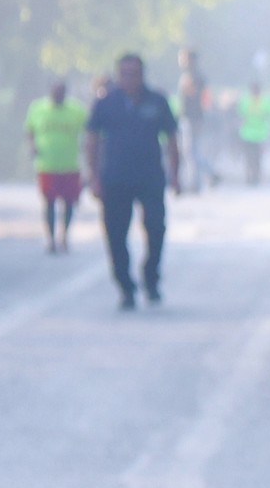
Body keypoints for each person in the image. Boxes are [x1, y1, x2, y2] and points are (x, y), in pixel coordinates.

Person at [84, 52, 183, 310]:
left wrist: (176, 174)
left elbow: (172, 139)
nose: (130, 79)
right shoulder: (106, 103)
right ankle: (125, 286)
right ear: (118, 75)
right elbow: (92, 140)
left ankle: (151, 278)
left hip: (150, 177)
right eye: (125, 74)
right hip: (115, 178)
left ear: (142, 75)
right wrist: (93, 176)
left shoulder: (157, 101)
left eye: (134, 74)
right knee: (116, 234)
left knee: (156, 228)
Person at [24, 78, 87, 254]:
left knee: (69, 203)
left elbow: (90, 130)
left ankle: (65, 236)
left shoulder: (77, 110)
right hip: (47, 165)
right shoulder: (38, 108)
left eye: (61, 91)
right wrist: (32, 145)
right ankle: (51, 239)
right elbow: (30, 129)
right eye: (55, 90)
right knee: (49, 202)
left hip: (70, 164)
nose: (58, 94)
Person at [176, 48, 214, 191]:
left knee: (190, 151)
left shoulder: (193, 76)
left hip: (192, 117)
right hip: (193, 117)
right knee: (190, 151)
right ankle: (205, 176)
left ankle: (197, 182)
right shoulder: (193, 75)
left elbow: (198, 97)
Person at [238, 77, 270, 187]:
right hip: (247, 133)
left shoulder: (265, 101)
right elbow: (240, 115)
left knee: (257, 157)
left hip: (260, 134)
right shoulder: (246, 101)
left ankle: (255, 176)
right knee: (249, 157)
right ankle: (249, 176)